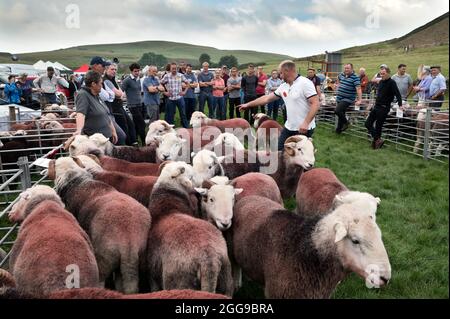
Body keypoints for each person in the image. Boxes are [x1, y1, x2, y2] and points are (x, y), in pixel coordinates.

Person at [239, 60, 319, 150]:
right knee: (279, 152)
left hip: (303, 128)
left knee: (298, 158)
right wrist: (248, 104)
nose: (280, 76)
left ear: (287, 71)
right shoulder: (283, 86)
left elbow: (315, 103)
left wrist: (306, 123)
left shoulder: (305, 83)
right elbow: (267, 98)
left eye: (281, 73)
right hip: (289, 126)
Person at [74, 70, 118, 144]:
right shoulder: (83, 95)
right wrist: (79, 130)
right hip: (96, 142)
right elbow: (81, 114)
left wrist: (113, 131)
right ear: (93, 84)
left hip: (106, 138)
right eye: (101, 83)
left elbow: (106, 114)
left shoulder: (96, 95)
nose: (102, 85)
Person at [365, 67, 402, 149]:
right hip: (376, 106)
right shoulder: (381, 82)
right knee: (367, 123)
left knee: (378, 126)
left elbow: (398, 94)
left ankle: (376, 144)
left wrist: (400, 105)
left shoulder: (392, 82)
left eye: (383, 73)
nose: (382, 75)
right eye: (381, 73)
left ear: (388, 73)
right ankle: (378, 139)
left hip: (384, 107)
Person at [103, 63, 136, 146]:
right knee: (124, 126)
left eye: (115, 69)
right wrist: (120, 94)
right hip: (114, 108)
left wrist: (120, 94)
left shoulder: (113, 80)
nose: (114, 71)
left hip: (119, 106)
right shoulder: (106, 81)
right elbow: (119, 94)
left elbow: (121, 94)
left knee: (130, 124)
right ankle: (127, 147)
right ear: (106, 70)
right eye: (112, 69)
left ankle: (132, 143)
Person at [121, 63, 147, 145]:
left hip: (139, 104)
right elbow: (121, 90)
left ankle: (134, 140)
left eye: (138, 71)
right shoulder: (127, 80)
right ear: (131, 71)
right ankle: (144, 142)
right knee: (142, 124)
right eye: (135, 71)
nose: (137, 73)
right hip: (132, 105)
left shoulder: (138, 79)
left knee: (136, 124)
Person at [335, 63, 362, 133]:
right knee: (342, 114)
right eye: (345, 68)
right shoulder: (342, 75)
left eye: (348, 68)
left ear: (352, 69)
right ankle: (338, 130)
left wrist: (359, 100)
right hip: (339, 97)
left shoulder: (355, 77)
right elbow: (338, 79)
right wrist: (337, 85)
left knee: (337, 111)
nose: (346, 69)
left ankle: (346, 123)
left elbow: (358, 89)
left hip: (348, 98)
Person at [160, 62, 189, 128]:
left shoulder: (180, 75)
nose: (174, 70)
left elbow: (187, 83)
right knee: (170, 115)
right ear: (170, 69)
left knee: (183, 114)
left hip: (180, 98)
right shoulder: (167, 76)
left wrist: (184, 92)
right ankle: (171, 129)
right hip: (171, 99)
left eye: (175, 68)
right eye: (173, 68)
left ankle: (186, 127)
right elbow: (160, 84)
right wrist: (165, 92)